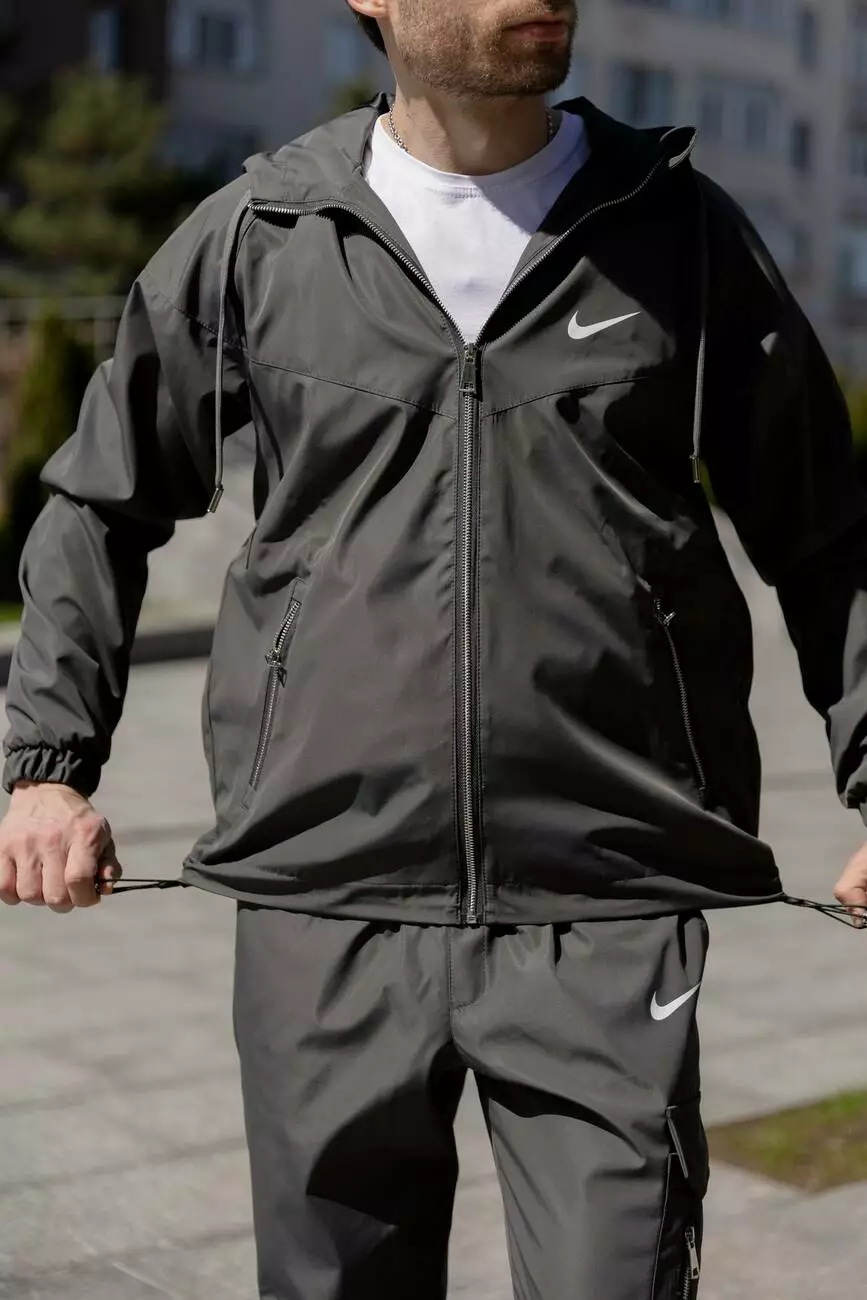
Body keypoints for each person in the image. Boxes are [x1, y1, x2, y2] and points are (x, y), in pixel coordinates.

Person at [2, 0, 867, 1295]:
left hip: (604, 902)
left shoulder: (677, 233)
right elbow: (100, 501)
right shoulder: (262, 233)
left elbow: (827, 533)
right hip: (324, 895)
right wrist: (47, 766)